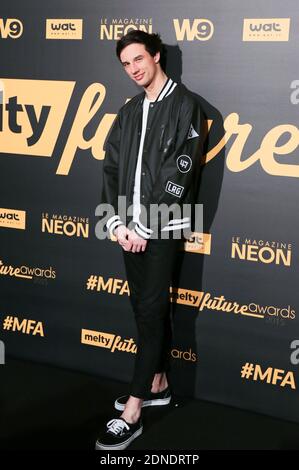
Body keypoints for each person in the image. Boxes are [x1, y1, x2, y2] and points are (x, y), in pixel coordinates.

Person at [96, 30, 202, 451]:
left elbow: (182, 170)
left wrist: (145, 225)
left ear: (156, 56)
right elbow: (111, 167)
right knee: (143, 309)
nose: (134, 69)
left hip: (162, 228)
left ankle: (134, 410)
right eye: (126, 63)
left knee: (153, 308)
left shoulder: (186, 107)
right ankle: (157, 382)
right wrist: (116, 223)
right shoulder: (130, 110)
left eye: (139, 59)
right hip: (129, 230)